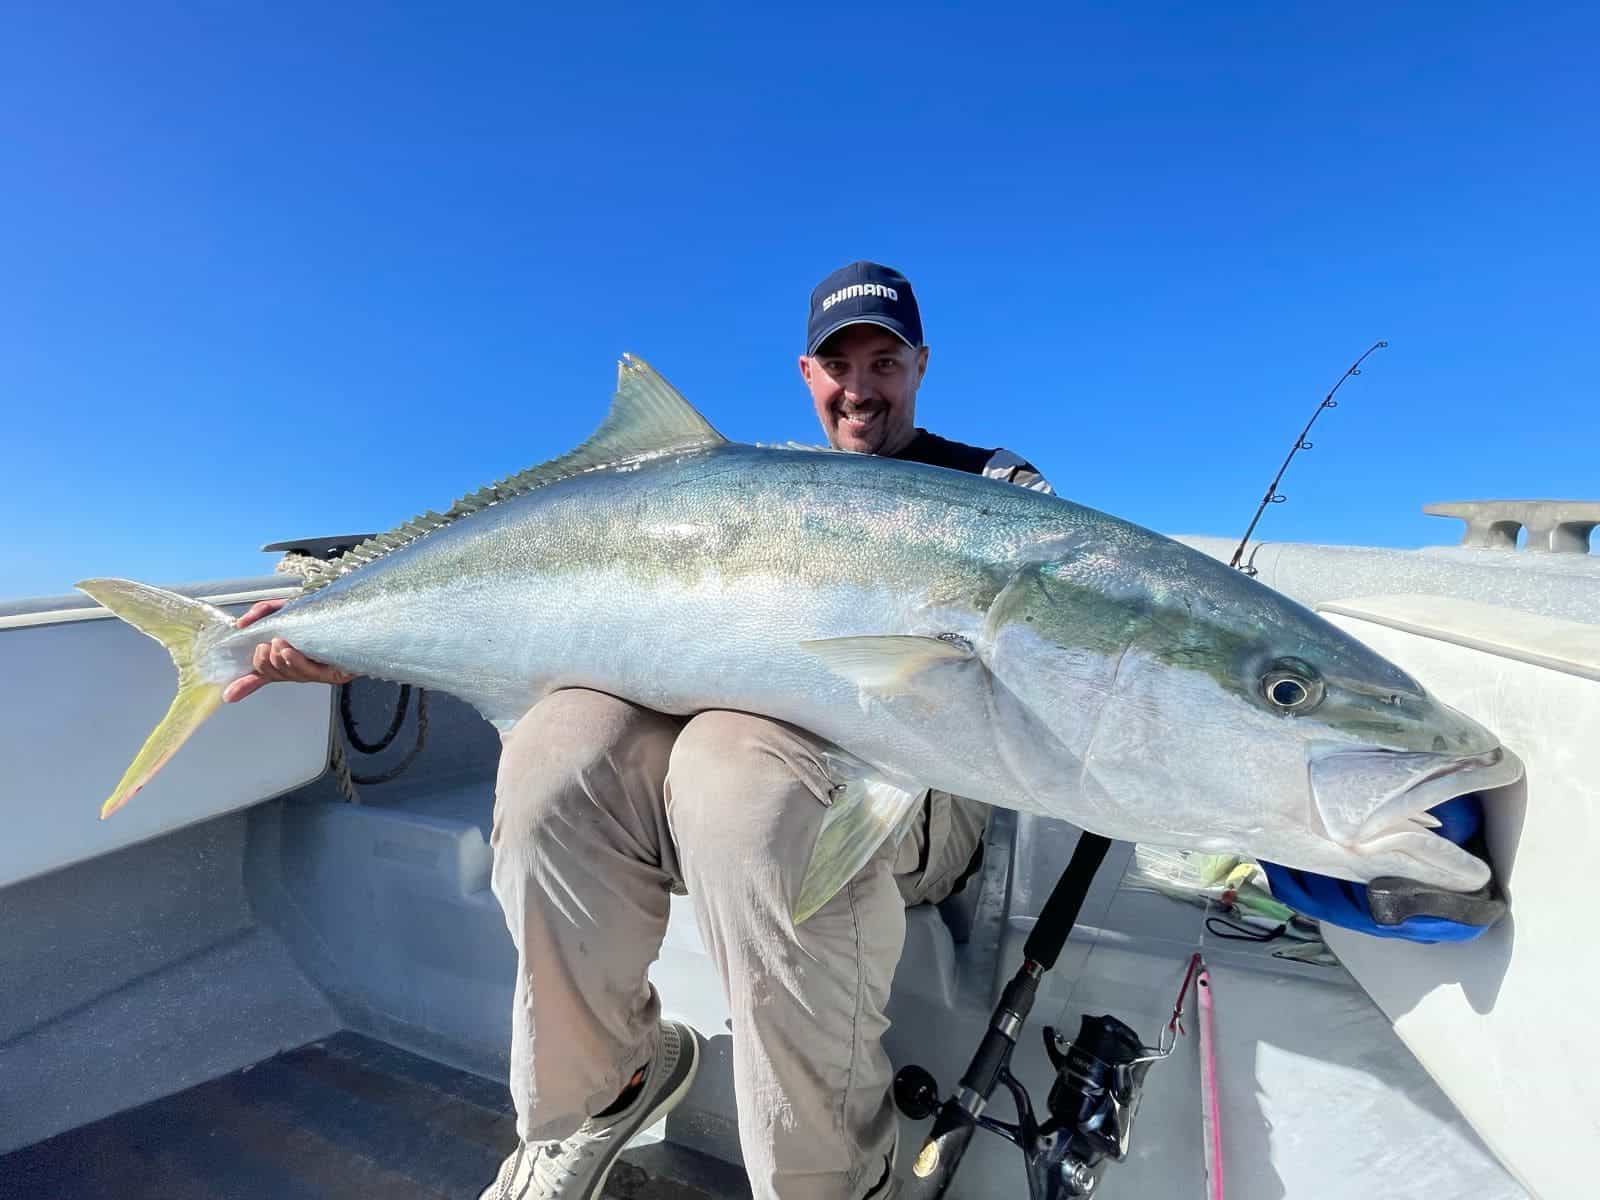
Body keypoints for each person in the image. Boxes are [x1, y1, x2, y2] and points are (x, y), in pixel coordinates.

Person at [227, 262, 1052, 1200]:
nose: (860, 388)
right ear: (806, 373)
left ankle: (834, 1178)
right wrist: (351, 639)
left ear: (921, 365)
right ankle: (608, 1089)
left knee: (740, 784)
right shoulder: (760, 492)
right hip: (719, 774)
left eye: (884, 360)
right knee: (555, 753)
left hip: (912, 795)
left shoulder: (992, 486)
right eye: (838, 364)